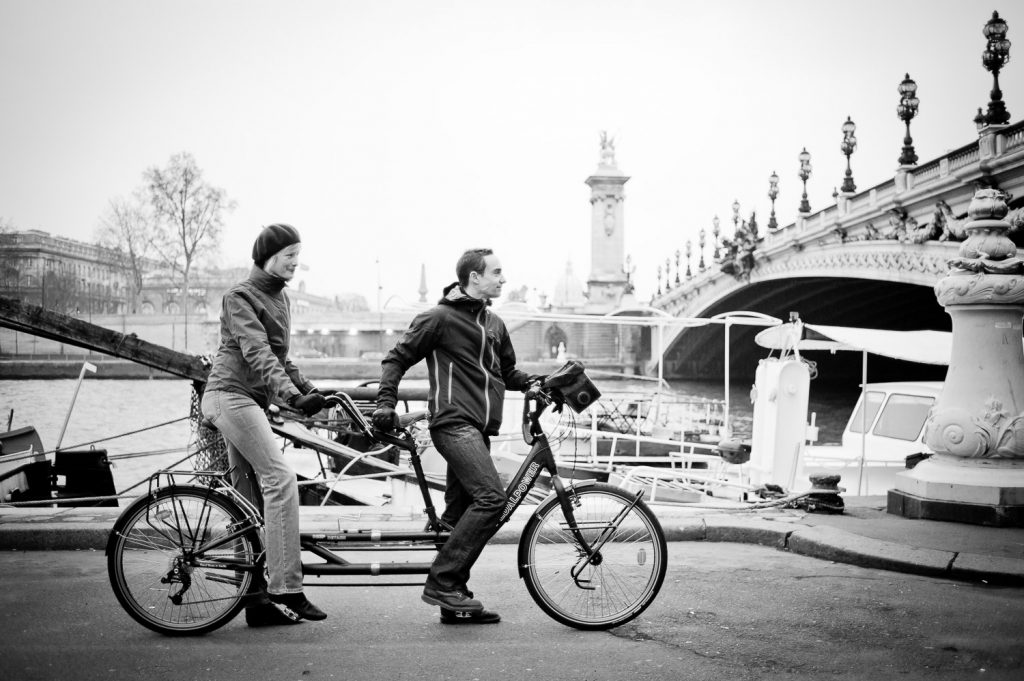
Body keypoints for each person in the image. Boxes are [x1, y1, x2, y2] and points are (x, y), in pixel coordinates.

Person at [372, 248, 539, 625]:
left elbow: (507, 372)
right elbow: (396, 358)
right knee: (492, 499)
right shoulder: (438, 318)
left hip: (480, 431)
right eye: (496, 272)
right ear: (473, 277)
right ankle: (444, 581)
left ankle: (455, 599)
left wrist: (535, 382)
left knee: (460, 513)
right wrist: (385, 403)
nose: (503, 279)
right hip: (453, 425)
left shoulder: (494, 323)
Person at [201, 223, 327, 626]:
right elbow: (256, 353)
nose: (295, 263)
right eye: (289, 255)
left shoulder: (281, 299)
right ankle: (287, 586)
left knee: (247, 503)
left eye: (298, 255)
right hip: (229, 395)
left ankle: (255, 602)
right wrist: (290, 397)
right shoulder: (239, 297)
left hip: (249, 400)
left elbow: (281, 358)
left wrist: (309, 391)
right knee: (280, 478)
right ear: (268, 257)